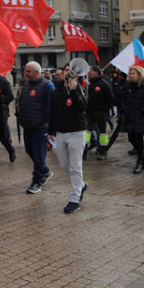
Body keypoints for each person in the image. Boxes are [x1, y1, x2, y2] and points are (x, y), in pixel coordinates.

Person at [48, 63, 89, 213]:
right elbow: (53, 111)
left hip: (76, 133)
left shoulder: (81, 88)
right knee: (65, 165)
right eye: (66, 70)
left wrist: (74, 91)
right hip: (61, 133)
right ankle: (81, 185)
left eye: (71, 71)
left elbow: (83, 107)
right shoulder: (57, 89)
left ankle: (74, 198)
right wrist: (50, 130)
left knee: (75, 166)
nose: (68, 73)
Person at [17, 61, 55, 194]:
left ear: (37, 72)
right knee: (29, 150)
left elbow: (51, 107)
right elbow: (22, 101)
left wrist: (43, 121)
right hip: (28, 125)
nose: (25, 74)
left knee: (39, 155)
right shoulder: (27, 84)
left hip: (40, 127)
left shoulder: (47, 86)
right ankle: (45, 171)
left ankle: (36, 181)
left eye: (28, 72)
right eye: (25, 71)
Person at [123, 65, 144, 174]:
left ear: (139, 75)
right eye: (130, 74)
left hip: (140, 117)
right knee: (131, 139)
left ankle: (139, 161)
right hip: (129, 116)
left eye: (133, 74)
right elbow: (122, 98)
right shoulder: (127, 86)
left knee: (138, 139)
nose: (131, 75)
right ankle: (143, 156)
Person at [85, 66, 113, 159]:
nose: (89, 74)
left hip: (100, 113)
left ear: (97, 73)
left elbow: (111, 98)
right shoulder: (87, 84)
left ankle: (103, 151)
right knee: (87, 132)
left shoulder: (104, 83)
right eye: (88, 72)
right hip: (89, 112)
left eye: (91, 72)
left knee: (102, 133)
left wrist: (104, 110)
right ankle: (83, 151)